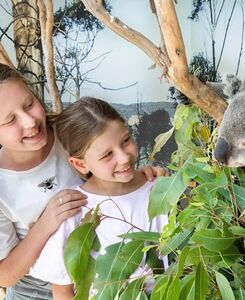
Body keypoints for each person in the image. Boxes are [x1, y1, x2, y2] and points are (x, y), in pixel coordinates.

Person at [0, 63, 165, 300]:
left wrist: (143, 179)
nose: (29, 122)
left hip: (101, 281)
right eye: (10, 120)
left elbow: (112, 169)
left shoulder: (70, 131)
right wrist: (47, 223)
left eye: (29, 104)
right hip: (36, 290)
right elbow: (4, 276)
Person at [30, 97, 168, 299]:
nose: (123, 157)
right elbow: (63, 289)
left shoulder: (158, 189)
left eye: (126, 140)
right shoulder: (75, 211)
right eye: (107, 155)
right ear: (80, 164)